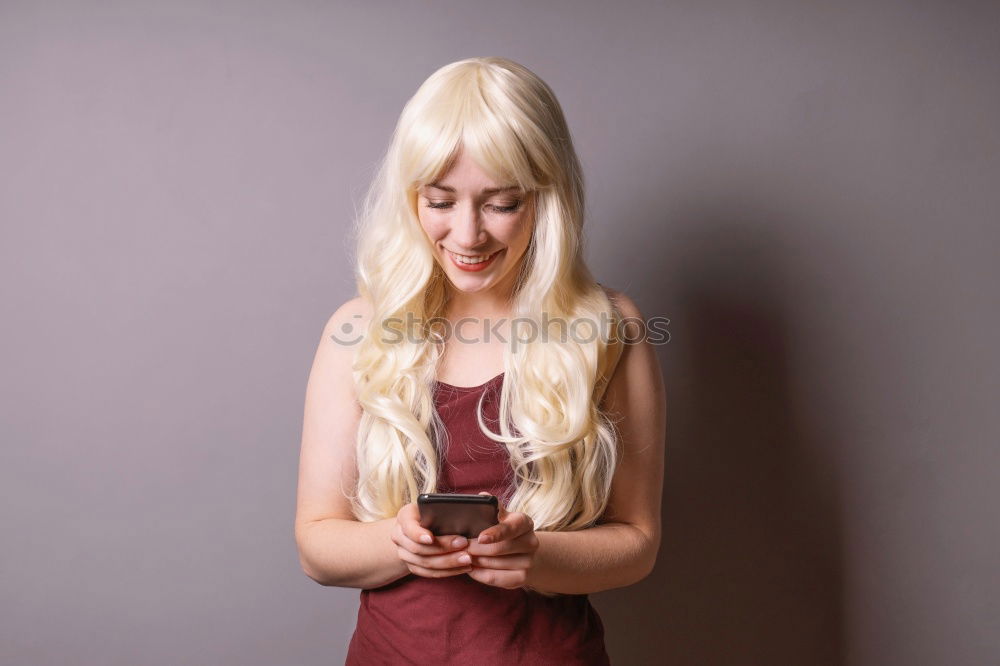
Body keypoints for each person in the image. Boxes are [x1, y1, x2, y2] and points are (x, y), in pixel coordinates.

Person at [294, 56, 666, 665]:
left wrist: (537, 556)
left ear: (548, 199)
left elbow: (638, 542)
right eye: (440, 201)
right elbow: (316, 544)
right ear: (410, 197)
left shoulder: (610, 329)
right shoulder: (357, 331)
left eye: (501, 204)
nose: (467, 236)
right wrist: (400, 541)